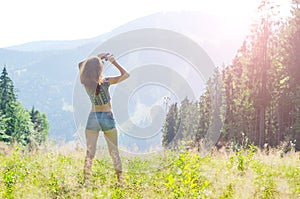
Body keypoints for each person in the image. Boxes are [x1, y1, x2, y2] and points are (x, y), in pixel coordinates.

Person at [78, 53, 130, 185]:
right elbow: (126, 75)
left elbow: (80, 65)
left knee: (90, 153)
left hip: (93, 117)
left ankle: (86, 181)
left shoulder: (85, 82)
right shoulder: (106, 82)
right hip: (107, 116)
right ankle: (120, 182)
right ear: (99, 69)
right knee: (114, 152)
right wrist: (114, 62)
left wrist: (97, 58)